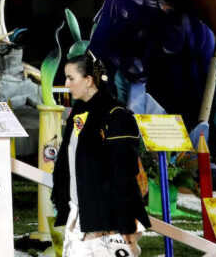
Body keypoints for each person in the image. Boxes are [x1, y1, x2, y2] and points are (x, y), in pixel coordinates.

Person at [51, 52, 149, 257]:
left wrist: (127, 222)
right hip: (79, 214)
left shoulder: (116, 115)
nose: (66, 85)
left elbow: (125, 173)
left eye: (71, 78)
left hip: (107, 221)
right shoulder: (79, 112)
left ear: (88, 80)